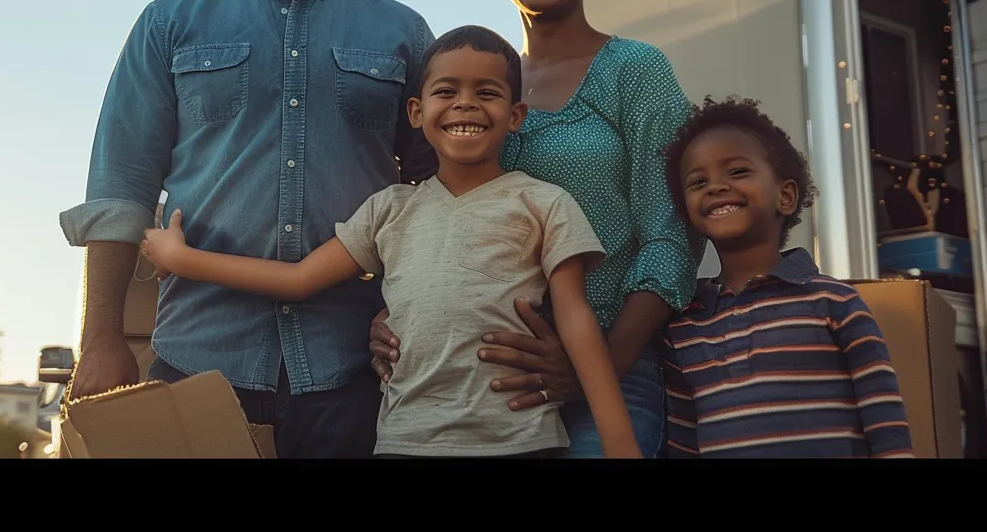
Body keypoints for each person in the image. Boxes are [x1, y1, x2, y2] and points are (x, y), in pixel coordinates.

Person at [57, 0, 438, 459]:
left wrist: (407, 308)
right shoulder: (168, 24)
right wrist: (100, 338)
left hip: (357, 368)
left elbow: (436, 190)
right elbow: (120, 190)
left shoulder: (404, 33)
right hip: (197, 358)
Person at [142, 25, 641, 459]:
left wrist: (619, 442)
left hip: (517, 437)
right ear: (416, 112)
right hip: (405, 440)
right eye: (448, 91)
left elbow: (575, 319)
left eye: (486, 92)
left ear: (516, 115)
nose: (465, 102)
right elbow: (298, 280)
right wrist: (182, 258)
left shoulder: (543, 203)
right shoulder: (390, 209)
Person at [368, 0, 700, 458]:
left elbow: (671, 235)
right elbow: (437, 219)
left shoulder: (634, 70)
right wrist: (400, 314)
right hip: (480, 389)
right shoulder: (482, 87)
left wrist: (600, 361)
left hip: (610, 370)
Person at [660, 96, 915, 458]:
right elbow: (683, 444)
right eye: (697, 181)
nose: (715, 186)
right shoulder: (683, 327)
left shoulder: (836, 303)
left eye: (736, 172)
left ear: (786, 196)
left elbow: (886, 426)